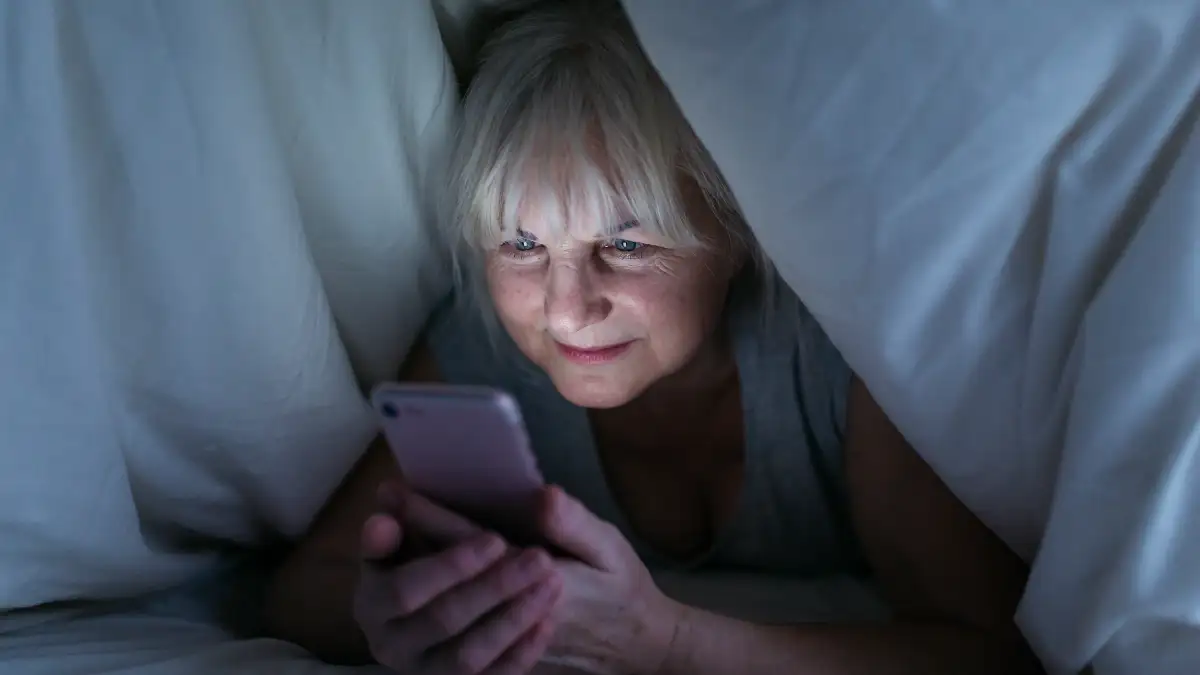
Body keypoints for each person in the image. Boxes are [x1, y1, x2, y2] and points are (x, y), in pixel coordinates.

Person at [264, 2, 1043, 673]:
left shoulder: (838, 358)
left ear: (734, 232)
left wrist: (667, 641)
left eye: (627, 244)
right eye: (522, 245)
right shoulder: (486, 344)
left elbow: (992, 651)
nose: (566, 310)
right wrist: (393, 617)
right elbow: (299, 595)